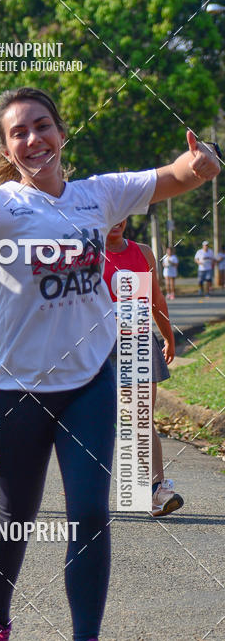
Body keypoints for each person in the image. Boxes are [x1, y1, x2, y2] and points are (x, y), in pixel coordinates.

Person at [0, 87, 219, 641]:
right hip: (16, 390)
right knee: (15, 515)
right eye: (18, 132)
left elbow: (173, 176)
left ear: (62, 133)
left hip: (90, 380)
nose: (33, 139)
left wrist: (202, 164)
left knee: (89, 511)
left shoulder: (99, 194)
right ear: (6, 148)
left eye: (42, 126)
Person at [103, 220, 184, 517]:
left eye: (122, 213)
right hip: (99, 347)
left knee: (140, 416)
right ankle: (84, 486)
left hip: (138, 341)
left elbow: (156, 298)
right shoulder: (87, 254)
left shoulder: (143, 252)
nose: (117, 220)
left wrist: (168, 336)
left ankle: (156, 490)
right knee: (98, 421)